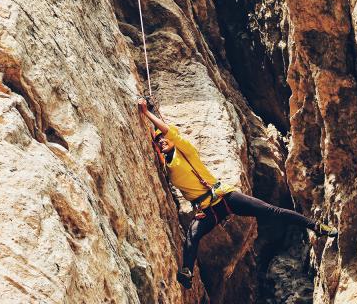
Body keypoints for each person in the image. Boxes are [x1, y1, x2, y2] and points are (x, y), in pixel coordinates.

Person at [137, 98, 337, 289]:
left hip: (225, 197)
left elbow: (164, 130)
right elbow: (158, 139)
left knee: (272, 211)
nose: (162, 141)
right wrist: (153, 132)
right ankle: (187, 272)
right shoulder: (167, 167)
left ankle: (317, 226)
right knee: (192, 237)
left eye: (165, 139)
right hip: (208, 210)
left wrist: (148, 112)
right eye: (159, 142)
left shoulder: (186, 151)